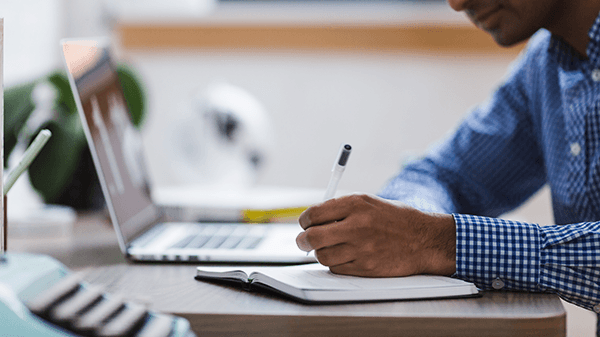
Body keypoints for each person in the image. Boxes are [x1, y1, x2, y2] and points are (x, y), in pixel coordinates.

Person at [295, 0, 600, 316]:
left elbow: (432, 232)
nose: (457, 4)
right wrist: (412, 222)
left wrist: (436, 241)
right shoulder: (545, 64)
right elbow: (443, 175)